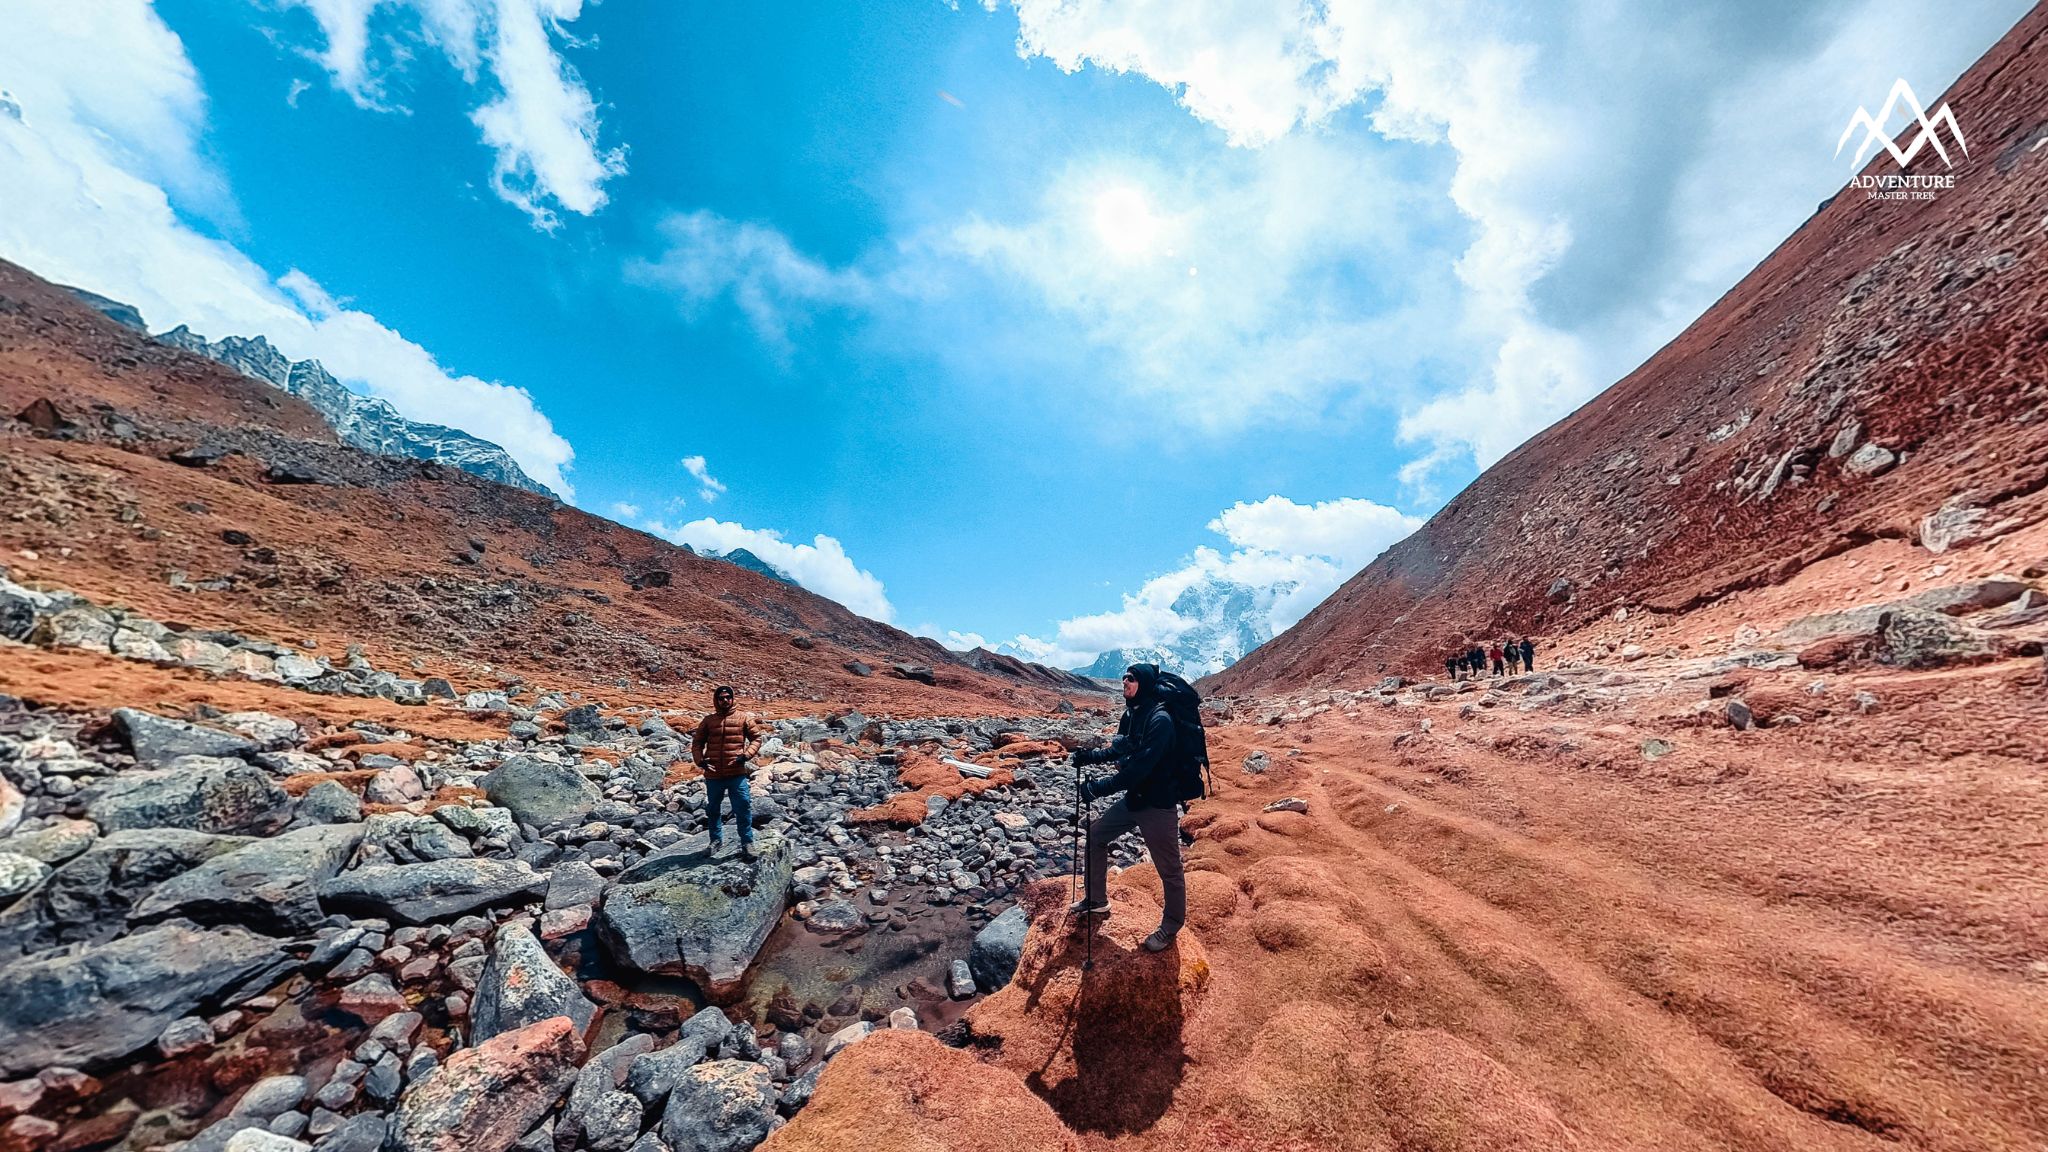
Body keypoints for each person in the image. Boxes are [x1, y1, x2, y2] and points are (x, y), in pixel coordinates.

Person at [1070, 663, 1188, 953]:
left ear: (1144, 684)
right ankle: (1096, 900)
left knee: (1170, 870)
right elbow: (1121, 749)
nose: (1124, 681)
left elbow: (1137, 769)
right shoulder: (1132, 714)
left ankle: (1171, 926)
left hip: (1158, 805)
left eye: (1131, 678)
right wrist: (1090, 756)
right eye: (1124, 676)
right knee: (1096, 836)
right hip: (1135, 799)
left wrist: (1099, 788)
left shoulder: (1161, 720)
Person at [691, 685, 761, 859]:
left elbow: (756, 738)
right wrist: (700, 761)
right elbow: (697, 743)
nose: (725, 700)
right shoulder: (708, 721)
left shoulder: (743, 718)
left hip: (736, 773)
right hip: (713, 774)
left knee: (743, 806)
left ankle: (747, 843)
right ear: (716, 700)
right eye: (721, 698)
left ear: (732, 698)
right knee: (713, 809)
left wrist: (747, 755)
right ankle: (715, 841)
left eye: (728, 697)